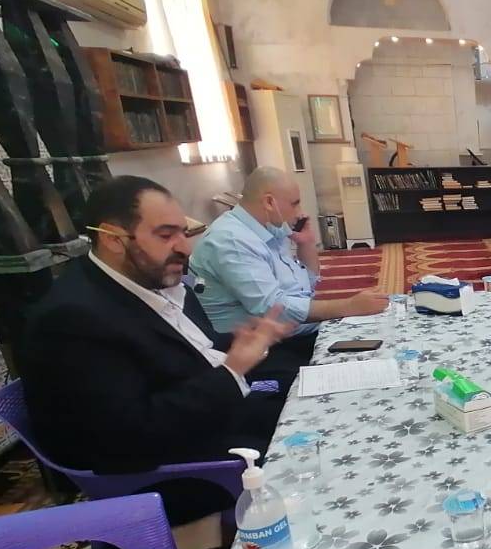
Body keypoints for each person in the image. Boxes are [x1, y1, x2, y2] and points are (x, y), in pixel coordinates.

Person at [20, 176, 293, 526]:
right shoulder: (73, 318)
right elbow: (133, 433)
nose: (185, 248)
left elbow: (186, 351)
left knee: (302, 402)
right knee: (299, 452)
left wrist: (245, 344)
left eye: (184, 233)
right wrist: (232, 371)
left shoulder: (144, 279)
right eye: (166, 236)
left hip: (196, 419)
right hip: (154, 472)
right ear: (113, 239)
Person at [191, 166, 389, 367]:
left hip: (295, 332)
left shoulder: (269, 228)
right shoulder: (231, 241)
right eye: (294, 204)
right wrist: (347, 306)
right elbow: (274, 309)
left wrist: (306, 244)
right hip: (258, 351)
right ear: (269, 202)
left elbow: (305, 288)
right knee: (357, 367)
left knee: (383, 335)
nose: (300, 212)